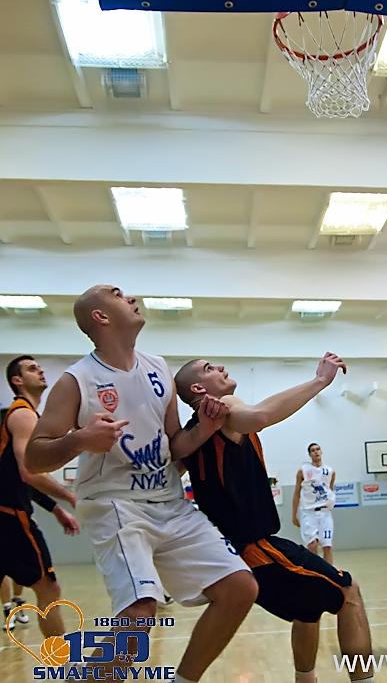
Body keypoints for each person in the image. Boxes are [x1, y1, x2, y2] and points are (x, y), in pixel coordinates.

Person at [26, 285, 257, 683]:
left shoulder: (159, 368)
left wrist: (204, 428)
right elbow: (33, 457)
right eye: (118, 294)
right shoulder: (77, 380)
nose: (130, 297)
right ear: (100, 317)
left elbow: (174, 445)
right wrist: (80, 439)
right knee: (138, 616)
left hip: (169, 502)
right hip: (115, 505)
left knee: (240, 588)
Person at [175, 354, 375, 683]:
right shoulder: (225, 408)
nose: (221, 367)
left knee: (307, 609)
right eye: (209, 368)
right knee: (348, 591)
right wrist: (320, 381)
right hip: (254, 548)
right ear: (198, 388)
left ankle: (305, 679)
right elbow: (260, 416)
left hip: (233, 552)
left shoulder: (191, 435)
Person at [0, 355, 80, 638]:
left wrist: (56, 509)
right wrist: (71, 497)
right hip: (9, 518)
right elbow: (30, 473)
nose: (41, 371)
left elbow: (17, 475)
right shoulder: (23, 414)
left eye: (40, 367)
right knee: (48, 588)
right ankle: (62, 661)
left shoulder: (21, 416)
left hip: (9, 513)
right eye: (32, 369)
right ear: (17, 380)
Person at [2, 485, 79, 631]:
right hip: (11, 522)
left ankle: (14, 603)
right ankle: (56, 647)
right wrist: (68, 498)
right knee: (48, 589)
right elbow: (30, 478)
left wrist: (56, 508)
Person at [292, 442, 336, 564]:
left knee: (327, 546)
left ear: (321, 452)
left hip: (325, 512)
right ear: (310, 454)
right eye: (313, 450)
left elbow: (330, 489)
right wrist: (294, 515)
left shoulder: (330, 471)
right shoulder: (303, 471)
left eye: (318, 449)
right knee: (312, 545)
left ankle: (330, 573)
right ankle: (315, 572)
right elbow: (296, 493)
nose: (316, 452)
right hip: (309, 512)